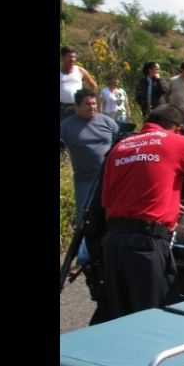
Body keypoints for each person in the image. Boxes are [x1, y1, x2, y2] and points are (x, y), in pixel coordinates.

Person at [97, 104, 184, 323]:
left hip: (113, 243)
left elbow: (108, 203)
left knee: (118, 321)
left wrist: (167, 203)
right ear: (179, 127)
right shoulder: (177, 142)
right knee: (153, 322)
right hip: (146, 244)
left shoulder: (119, 147)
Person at [60, 88, 120, 265]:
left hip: (110, 179)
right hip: (85, 180)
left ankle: (108, 253)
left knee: (112, 214)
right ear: (77, 106)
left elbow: (121, 142)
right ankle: (84, 257)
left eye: (94, 103)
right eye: (87, 104)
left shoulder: (107, 122)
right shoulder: (67, 126)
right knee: (84, 218)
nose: (92, 107)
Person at [60, 46, 98, 121]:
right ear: (62, 57)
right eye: (69, 57)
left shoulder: (80, 70)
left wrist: (89, 101)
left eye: (74, 57)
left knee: (79, 130)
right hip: (62, 110)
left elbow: (93, 85)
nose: (72, 59)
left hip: (78, 108)